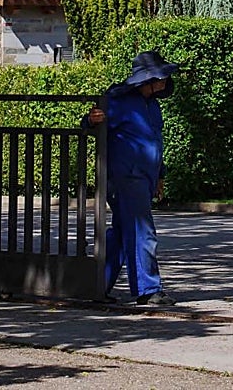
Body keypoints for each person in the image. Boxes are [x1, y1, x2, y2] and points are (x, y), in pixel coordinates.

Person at [84, 50, 179, 306]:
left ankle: (96, 286)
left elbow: (154, 143)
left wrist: (160, 176)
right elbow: (89, 123)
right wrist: (92, 120)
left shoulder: (152, 105)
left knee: (122, 232)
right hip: (125, 178)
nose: (164, 81)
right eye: (160, 76)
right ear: (147, 79)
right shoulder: (119, 101)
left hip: (144, 178)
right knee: (142, 230)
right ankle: (148, 289)